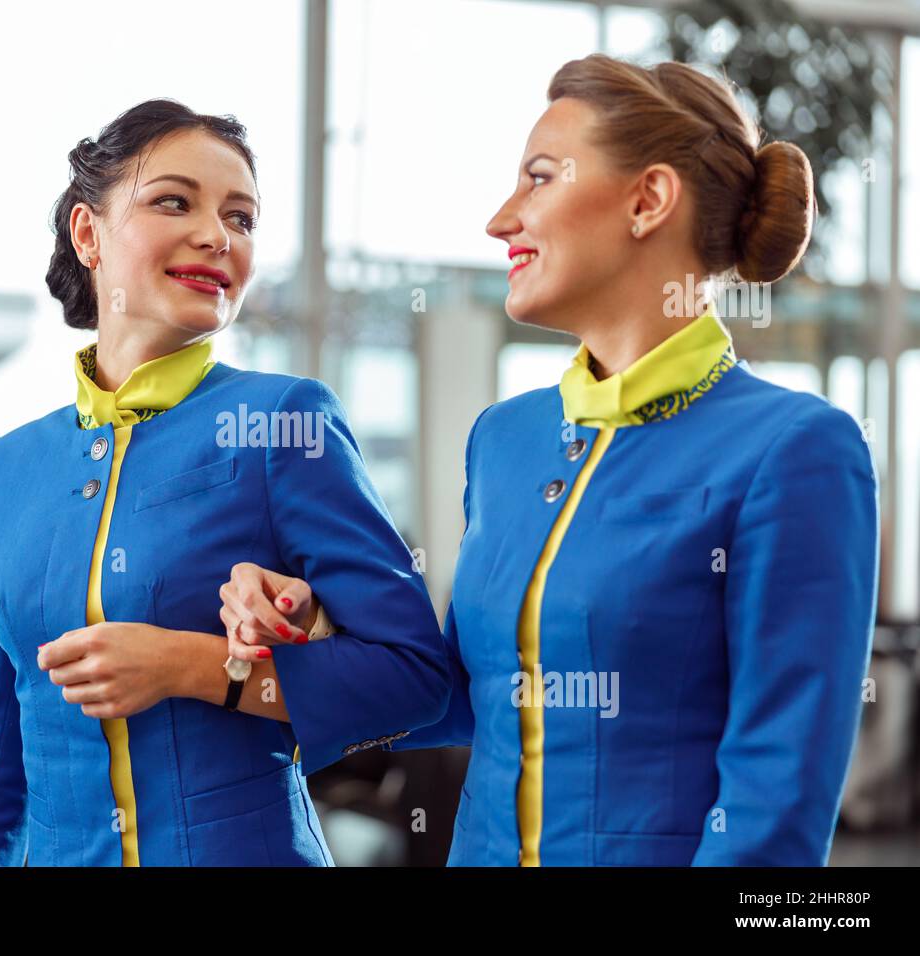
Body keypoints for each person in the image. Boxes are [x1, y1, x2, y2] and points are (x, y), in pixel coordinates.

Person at [220, 54, 878, 866]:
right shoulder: (507, 440)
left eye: (538, 179)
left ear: (648, 200)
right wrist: (313, 628)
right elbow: (460, 699)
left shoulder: (795, 451)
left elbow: (774, 815)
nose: (501, 220)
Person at [0, 99, 450, 867]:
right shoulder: (6, 468)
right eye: (174, 201)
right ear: (87, 233)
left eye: (241, 218)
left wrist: (191, 666)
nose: (217, 235)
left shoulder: (284, 421)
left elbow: (415, 680)